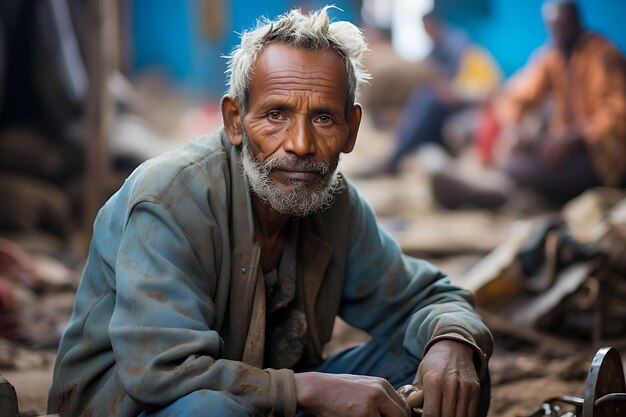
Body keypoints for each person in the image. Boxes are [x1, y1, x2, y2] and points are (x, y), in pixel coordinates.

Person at [48, 7, 493, 417]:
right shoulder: (170, 198)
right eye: (276, 115)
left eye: (322, 119)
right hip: (144, 407)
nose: (300, 145)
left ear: (351, 129)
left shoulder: (334, 203)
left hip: (263, 400)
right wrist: (313, 390)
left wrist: (451, 341)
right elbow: (160, 372)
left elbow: (424, 297)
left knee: (448, 374)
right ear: (234, 121)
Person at [431, 0, 626, 209]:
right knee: (516, 155)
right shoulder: (553, 56)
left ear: (577, 22)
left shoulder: (602, 56)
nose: (558, 32)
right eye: (553, 27)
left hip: (600, 157)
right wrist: (514, 129)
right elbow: (517, 95)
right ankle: (497, 190)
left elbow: (618, 114)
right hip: (566, 147)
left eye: (563, 25)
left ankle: (494, 195)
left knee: (516, 169)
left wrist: (574, 136)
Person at [360, 11, 501, 177]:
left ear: (434, 24)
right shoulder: (436, 48)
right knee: (425, 96)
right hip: (453, 102)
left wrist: (454, 93)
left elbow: (481, 90)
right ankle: (397, 155)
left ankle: (394, 160)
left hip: (468, 102)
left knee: (430, 100)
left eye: (426, 26)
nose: (426, 31)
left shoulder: (457, 44)